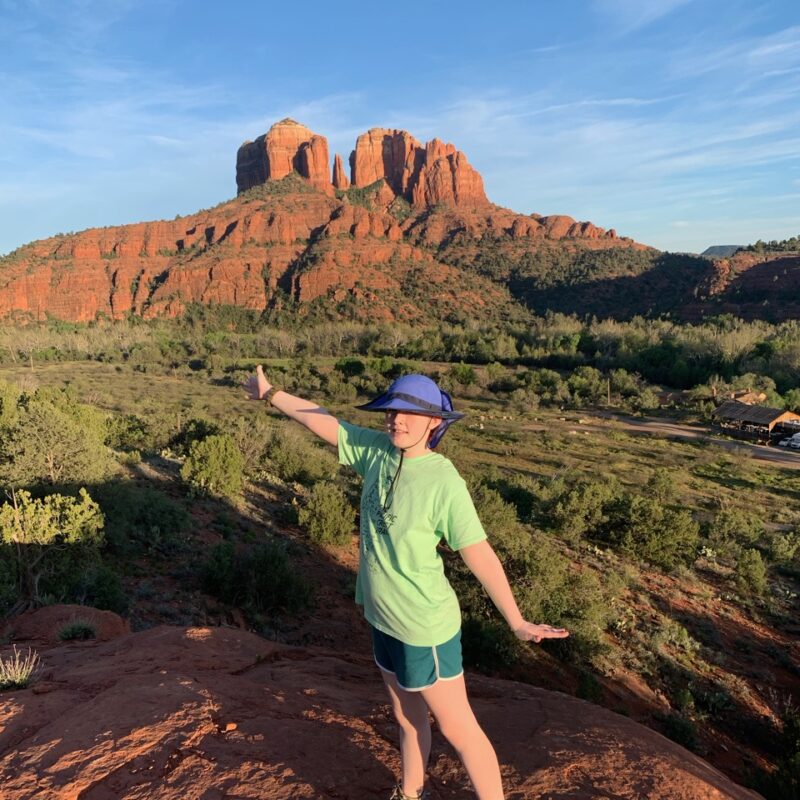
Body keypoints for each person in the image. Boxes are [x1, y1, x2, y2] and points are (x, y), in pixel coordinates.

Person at [244, 367, 569, 800]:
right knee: (406, 717)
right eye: (392, 411)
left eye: (409, 414)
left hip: (424, 627)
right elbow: (324, 421)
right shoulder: (378, 452)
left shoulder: (444, 481)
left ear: (435, 422)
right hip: (383, 617)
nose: (396, 420)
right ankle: (411, 793)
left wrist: (516, 620)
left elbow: (479, 552)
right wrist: (271, 394)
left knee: (458, 727)